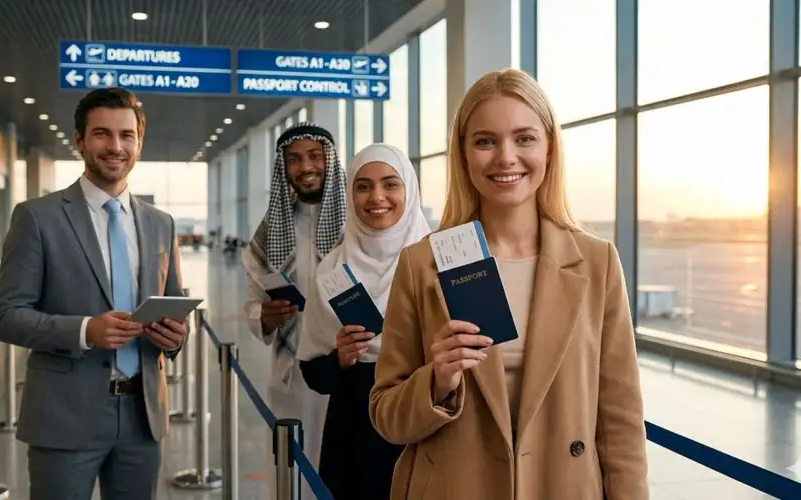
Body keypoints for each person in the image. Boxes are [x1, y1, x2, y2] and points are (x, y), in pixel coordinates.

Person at [368, 69, 649, 500]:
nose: (505, 157)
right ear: (463, 155)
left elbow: (621, 423)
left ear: (550, 148)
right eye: (485, 141)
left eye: (524, 138)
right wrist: (437, 381)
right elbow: (386, 417)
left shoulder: (597, 264)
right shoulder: (423, 264)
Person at [0, 87, 187, 500]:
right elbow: (7, 315)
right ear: (80, 140)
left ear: (139, 141)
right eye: (102, 134)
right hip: (64, 415)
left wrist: (175, 338)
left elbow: (173, 305)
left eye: (126, 135)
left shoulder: (160, 224)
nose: (115, 146)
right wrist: (84, 330)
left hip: (142, 416)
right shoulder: (37, 217)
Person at [296, 143, 431, 499]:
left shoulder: (437, 263)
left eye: (390, 184)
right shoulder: (332, 271)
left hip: (428, 426)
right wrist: (340, 358)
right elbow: (313, 374)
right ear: (349, 194)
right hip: (356, 435)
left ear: (410, 191)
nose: (377, 197)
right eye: (363, 186)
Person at [241, 121, 347, 498]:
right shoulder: (271, 229)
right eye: (295, 159)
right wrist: (263, 317)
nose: (306, 167)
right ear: (284, 168)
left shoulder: (361, 223)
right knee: (291, 471)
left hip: (348, 369)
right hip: (291, 376)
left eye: (315, 156)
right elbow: (254, 302)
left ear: (330, 161)